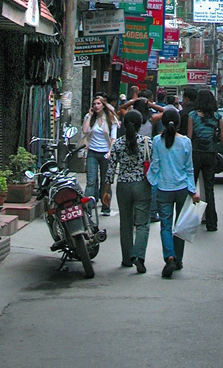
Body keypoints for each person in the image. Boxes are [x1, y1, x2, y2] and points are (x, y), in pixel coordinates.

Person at [147, 107, 200, 278]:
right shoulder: (185, 142)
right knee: (181, 225)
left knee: (166, 225)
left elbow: (155, 165)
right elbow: (189, 169)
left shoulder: (156, 141)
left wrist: (151, 181)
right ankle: (178, 259)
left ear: (162, 123)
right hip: (182, 188)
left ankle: (169, 256)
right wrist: (193, 190)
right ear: (178, 124)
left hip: (163, 188)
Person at [104, 109, 151, 273]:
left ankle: (126, 259)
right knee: (142, 224)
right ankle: (138, 256)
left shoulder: (117, 144)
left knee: (125, 224)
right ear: (140, 125)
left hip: (123, 186)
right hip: (142, 185)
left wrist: (106, 191)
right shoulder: (147, 143)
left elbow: (110, 170)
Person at [188, 89, 223, 233]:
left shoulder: (192, 116)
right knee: (209, 189)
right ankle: (212, 223)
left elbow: (189, 138)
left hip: (195, 154)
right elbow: (222, 138)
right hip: (210, 154)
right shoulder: (217, 117)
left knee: (191, 188)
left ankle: (189, 221)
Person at [82, 95, 117, 217]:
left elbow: (113, 138)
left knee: (105, 181)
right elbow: (85, 131)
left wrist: (110, 152)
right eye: (94, 104)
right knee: (91, 180)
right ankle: (87, 207)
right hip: (92, 151)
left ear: (103, 105)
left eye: (98, 104)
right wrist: (90, 116)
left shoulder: (110, 118)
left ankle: (105, 206)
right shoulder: (89, 117)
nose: (96, 106)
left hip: (105, 153)